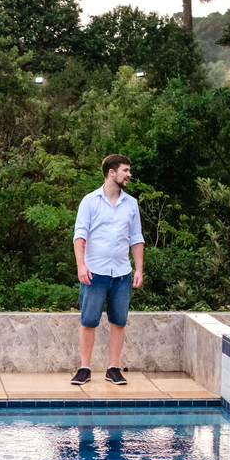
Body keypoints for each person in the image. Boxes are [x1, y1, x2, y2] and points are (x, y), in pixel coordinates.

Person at [71, 154, 144, 386]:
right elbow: (79, 236)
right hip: (95, 272)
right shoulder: (90, 201)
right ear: (111, 172)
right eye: (125, 170)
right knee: (89, 320)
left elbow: (136, 238)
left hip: (121, 273)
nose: (129, 175)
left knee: (119, 321)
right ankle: (85, 368)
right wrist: (81, 265)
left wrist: (139, 269)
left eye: (129, 170)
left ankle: (113, 368)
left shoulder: (131, 204)